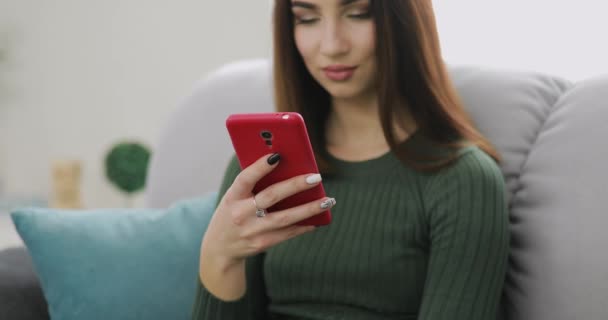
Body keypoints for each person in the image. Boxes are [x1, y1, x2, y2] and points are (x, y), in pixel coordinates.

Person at [192, 0, 510, 319]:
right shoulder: (264, 167)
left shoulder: (463, 180)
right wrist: (217, 255)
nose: (332, 46)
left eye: (359, 14)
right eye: (307, 18)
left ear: (407, 21)